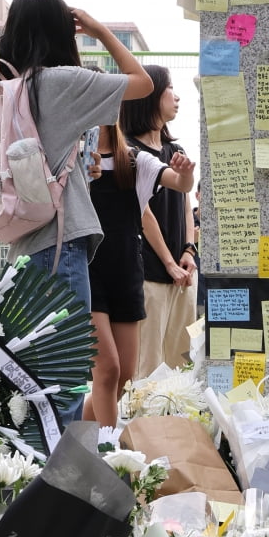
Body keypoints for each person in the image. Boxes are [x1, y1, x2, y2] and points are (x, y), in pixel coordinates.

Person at [0, 0, 153, 318]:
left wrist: (77, 168)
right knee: (64, 363)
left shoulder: (4, 88)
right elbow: (143, 83)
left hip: (21, 245)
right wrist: (100, 31)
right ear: (61, 32)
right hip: (58, 245)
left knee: (36, 361)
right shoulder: (60, 81)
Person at [83, 122, 194, 427]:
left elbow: (181, 185)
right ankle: (109, 455)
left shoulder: (134, 160)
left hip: (127, 271)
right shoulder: (70, 158)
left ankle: (77, 441)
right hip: (85, 271)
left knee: (125, 376)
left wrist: (185, 173)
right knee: (107, 371)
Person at [120, 68, 197, 375]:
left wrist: (189, 251)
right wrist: (168, 262)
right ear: (149, 96)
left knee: (182, 363)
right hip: (148, 274)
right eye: (169, 89)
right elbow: (142, 213)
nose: (176, 96)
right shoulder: (127, 150)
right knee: (147, 366)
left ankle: (177, 422)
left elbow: (185, 201)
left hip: (183, 273)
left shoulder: (175, 151)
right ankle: (144, 424)